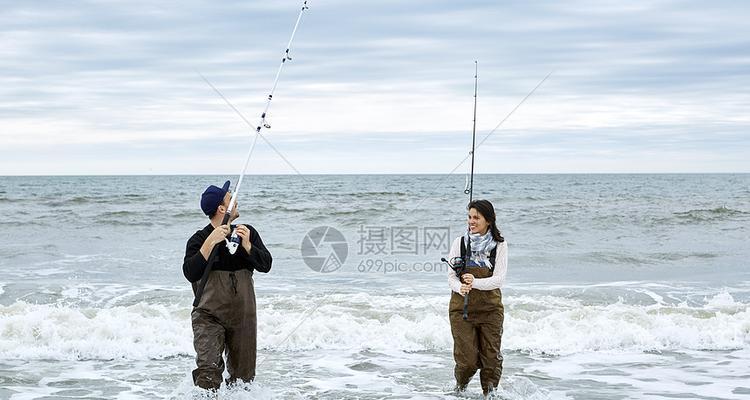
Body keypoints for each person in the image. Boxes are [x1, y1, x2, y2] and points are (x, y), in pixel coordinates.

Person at [182, 180, 272, 390]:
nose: (235, 199)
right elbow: (190, 272)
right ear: (222, 209)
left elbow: (266, 264)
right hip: (208, 316)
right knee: (208, 374)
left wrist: (248, 246)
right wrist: (210, 242)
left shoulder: (246, 232)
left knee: (243, 380)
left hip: (243, 316)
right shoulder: (199, 239)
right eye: (230, 197)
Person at [447, 199, 508, 397]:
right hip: (461, 310)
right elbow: (450, 277)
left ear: (489, 220)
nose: (471, 221)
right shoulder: (460, 242)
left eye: (476, 218)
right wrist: (460, 287)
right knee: (467, 363)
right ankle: (459, 390)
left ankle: (489, 395)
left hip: (491, 310)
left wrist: (474, 282)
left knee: (491, 361)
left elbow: (498, 280)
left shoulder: (499, 245)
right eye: (469, 217)